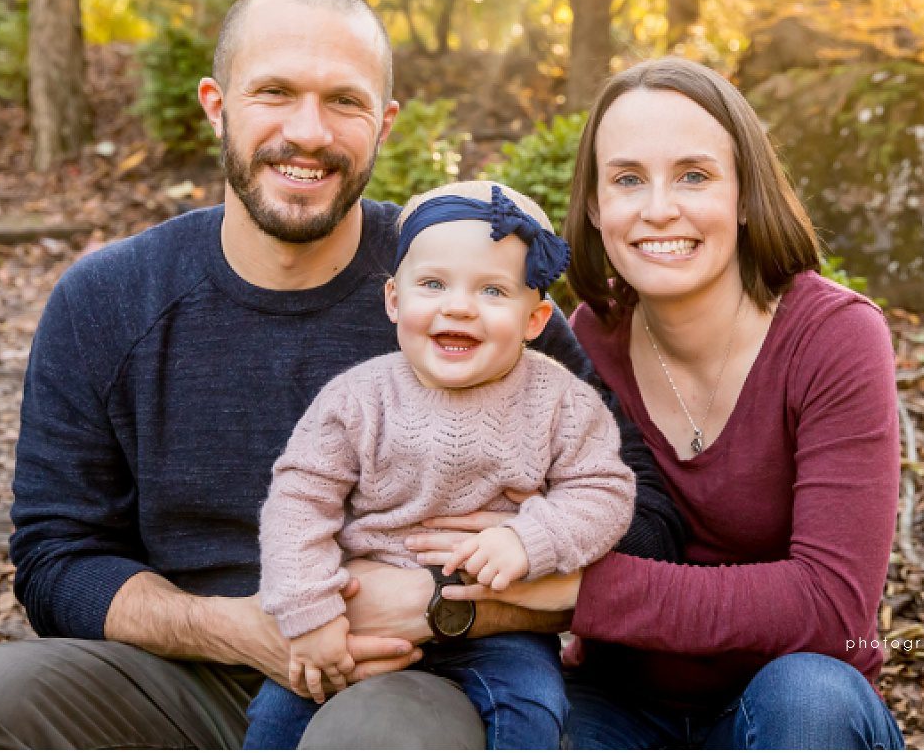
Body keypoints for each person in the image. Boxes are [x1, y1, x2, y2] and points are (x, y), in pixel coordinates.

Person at [0, 0, 682, 750]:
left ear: (385, 124)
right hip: (187, 671)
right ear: (216, 104)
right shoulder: (110, 301)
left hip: (410, 673)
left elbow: (646, 516)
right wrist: (234, 629)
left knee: (376, 739)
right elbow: (57, 559)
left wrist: (463, 601)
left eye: (344, 101)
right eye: (275, 92)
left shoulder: (465, 291)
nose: (309, 132)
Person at [412, 57, 906, 749]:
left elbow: (832, 605)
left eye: (693, 176)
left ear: (742, 193)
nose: (658, 209)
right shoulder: (587, 343)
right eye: (627, 180)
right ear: (593, 206)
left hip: (789, 704)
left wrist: (585, 589)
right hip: (619, 703)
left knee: (810, 699)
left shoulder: (833, 339)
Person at [245, 181, 636, 749]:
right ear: (394, 301)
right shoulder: (356, 399)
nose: (458, 305)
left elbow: (604, 491)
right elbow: (299, 502)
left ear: (535, 319)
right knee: (281, 712)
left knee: (535, 705)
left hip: (498, 620)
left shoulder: (562, 402)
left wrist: (533, 539)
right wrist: (310, 612)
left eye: (493, 291)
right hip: (358, 612)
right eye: (432, 284)